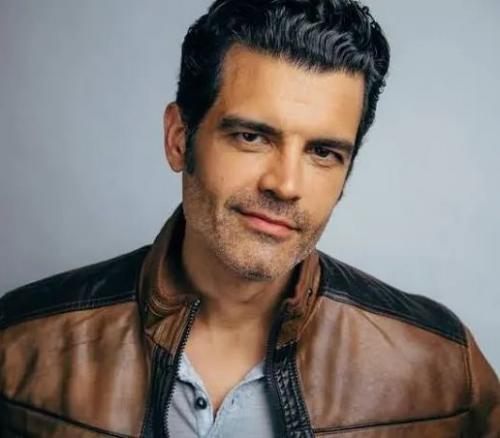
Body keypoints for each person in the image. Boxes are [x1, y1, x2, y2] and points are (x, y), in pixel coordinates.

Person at [0, 0, 498, 436]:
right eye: (252, 137)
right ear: (179, 139)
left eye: (323, 152)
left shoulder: (440, 367)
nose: (285, 184)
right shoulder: (21, 347)